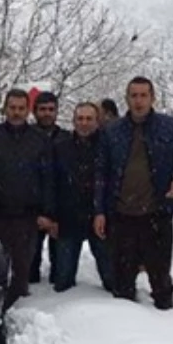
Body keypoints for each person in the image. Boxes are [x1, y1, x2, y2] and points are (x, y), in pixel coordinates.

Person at [93, 76, 173, 310]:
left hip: (157, 214)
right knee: (123, 280)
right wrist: (99, 211)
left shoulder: (169, 127)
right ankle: (128, 332)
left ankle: (171, 326)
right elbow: (101, 174)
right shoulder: (112, 132)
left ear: (152, 98)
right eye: (134, 95)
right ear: (127, 99)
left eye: (143, 95)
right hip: (121, 215)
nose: (138, 101)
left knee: (160, 277)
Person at [0, 88, 56, 309]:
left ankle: (17, 312)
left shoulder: (39, 140)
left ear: (28, 110)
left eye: (21, 108)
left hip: (27, 216)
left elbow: (47, 178)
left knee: (22, 270)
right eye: (13, 108)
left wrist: (47, 211)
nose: (17, 113)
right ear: (5, 108)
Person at [49, 101, 113, 293]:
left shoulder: (107, 146)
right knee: (63, 280)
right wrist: (51, 215)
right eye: (80, 119)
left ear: (97, 121)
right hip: (68, 218)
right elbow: (51, 182)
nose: (84, 123)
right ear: (74, 121)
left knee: (112, 278)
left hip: (100, 219)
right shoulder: (60, 147)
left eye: (89, 119)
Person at [29, 91, 67, 284]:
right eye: (42, 109)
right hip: (31, 211)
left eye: (51, 109)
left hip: (61, 211)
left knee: (62, 273)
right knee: (29, 271)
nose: (47, 113)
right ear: (34, 111)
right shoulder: (26, 138)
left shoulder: (67, 139)